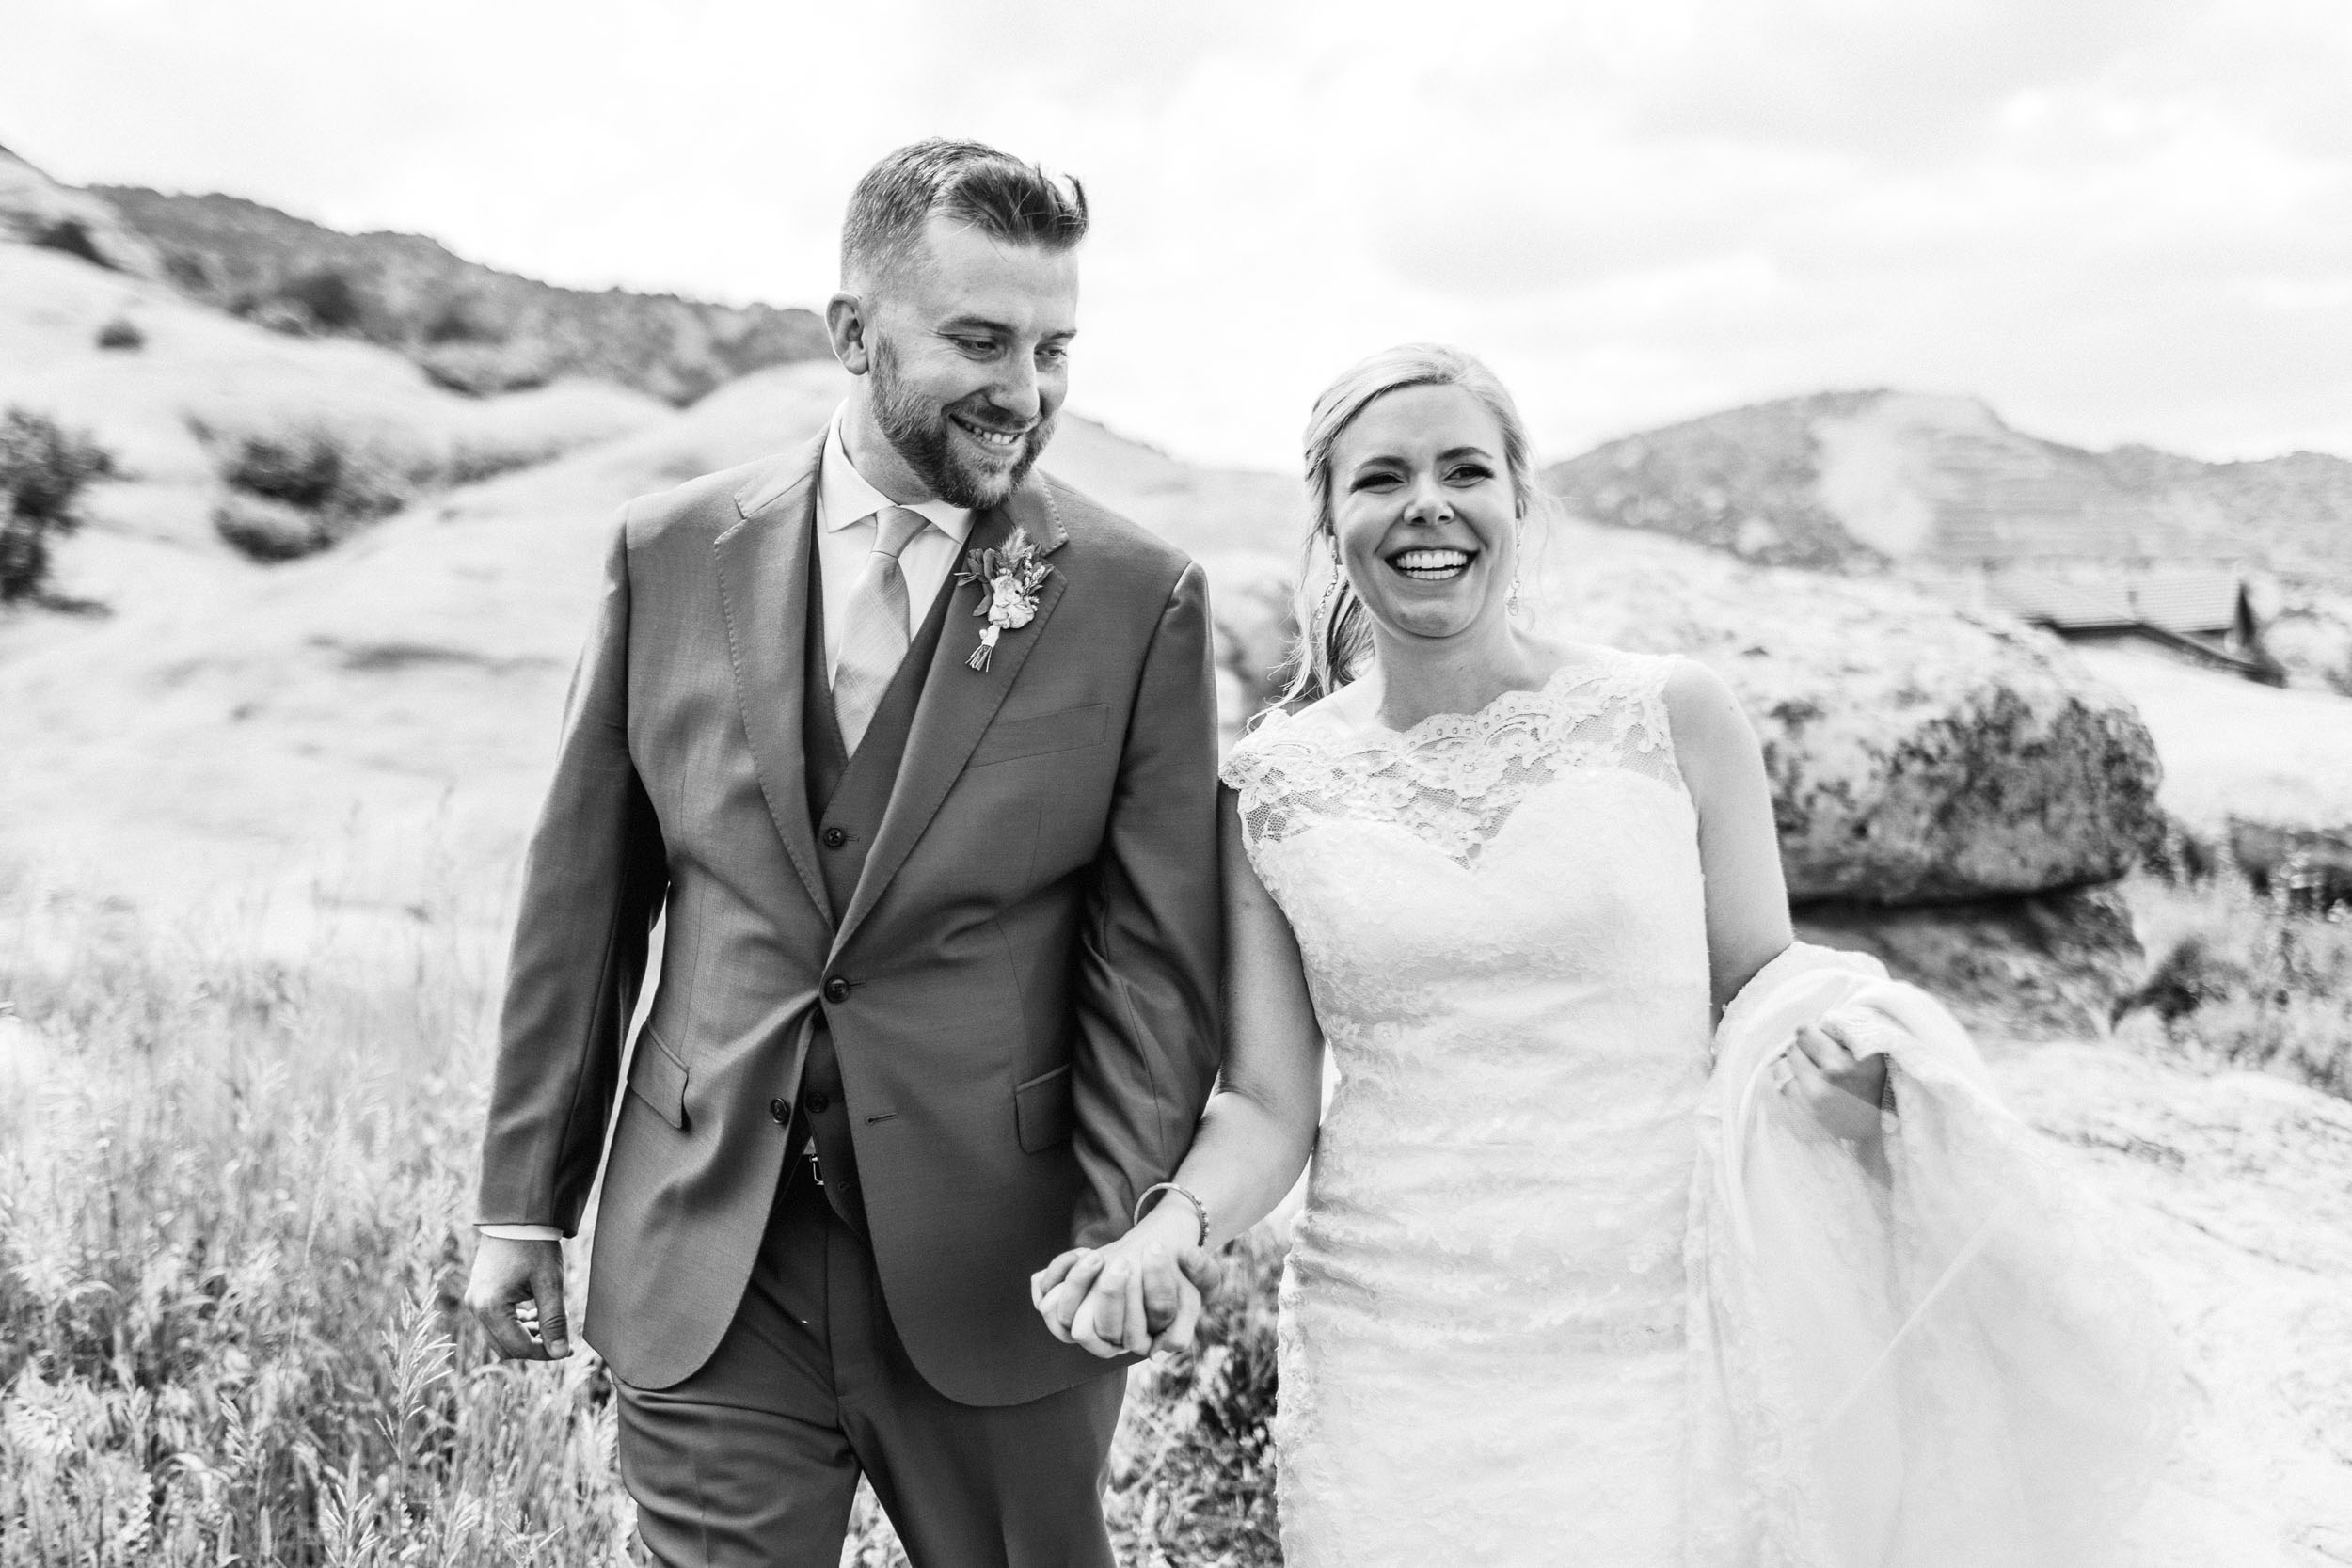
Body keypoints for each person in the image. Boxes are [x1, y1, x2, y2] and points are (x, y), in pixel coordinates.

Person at [1034, 343, 2176, 1564]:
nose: (1427, 502)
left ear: (1522, 505)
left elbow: (1762, 989)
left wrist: (1858, 1068)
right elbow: (1266, 1103)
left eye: (1465, 468)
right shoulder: (1268, 787)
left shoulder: (1672, 714)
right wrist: (1167, 1230)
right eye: (1381, 478)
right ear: (1330, 518)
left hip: (1658, 1332)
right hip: (1393, 1357)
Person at [464, 138, 1225, 1568]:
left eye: (1056, 347)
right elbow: (584, 908)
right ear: (852, 331)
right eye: (982, 340)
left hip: (1006, 1267)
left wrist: (1120, 1233)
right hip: (710, 1247)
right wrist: (522, 1202)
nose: (1028, 391)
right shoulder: (669, 553)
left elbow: (1157, 970)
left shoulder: (1138, 600)